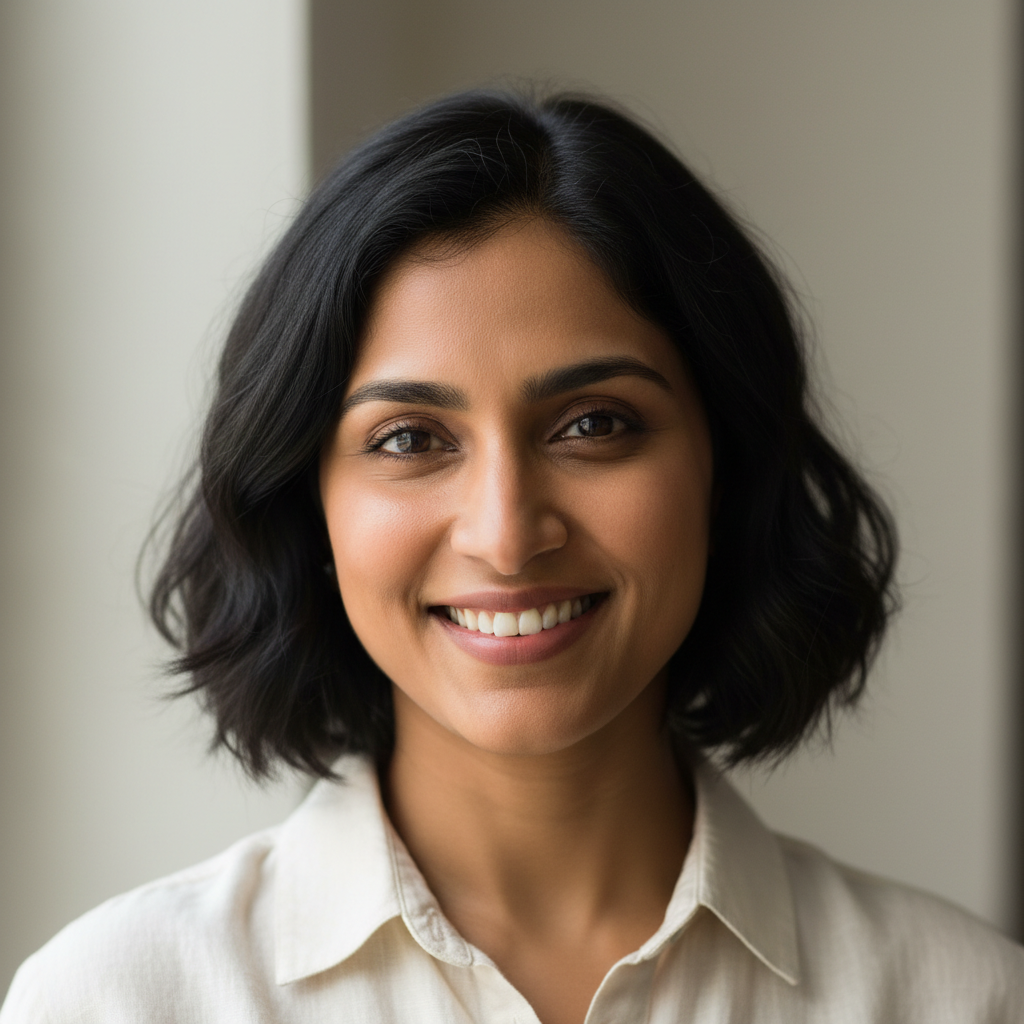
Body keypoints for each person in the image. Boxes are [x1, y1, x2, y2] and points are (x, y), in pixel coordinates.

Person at [2, 88, 1022, 1024]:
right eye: (409, 439)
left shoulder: (962, 998)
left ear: (727, 463)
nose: (504, 531)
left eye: (593, 424)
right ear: (305, 505)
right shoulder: (118, 1000)